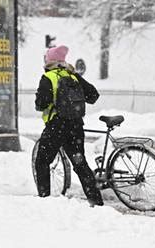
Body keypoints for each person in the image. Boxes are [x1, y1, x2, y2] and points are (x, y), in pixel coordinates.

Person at [34, 44, 104, 206]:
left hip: (56, 127)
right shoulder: (73, 75)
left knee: (42, 161)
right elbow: (93, 95)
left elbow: (41, 104)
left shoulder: (49, 77)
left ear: (50, 60)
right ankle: (96, 201)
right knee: (80, 163)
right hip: (76, 126)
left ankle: (44, 200)